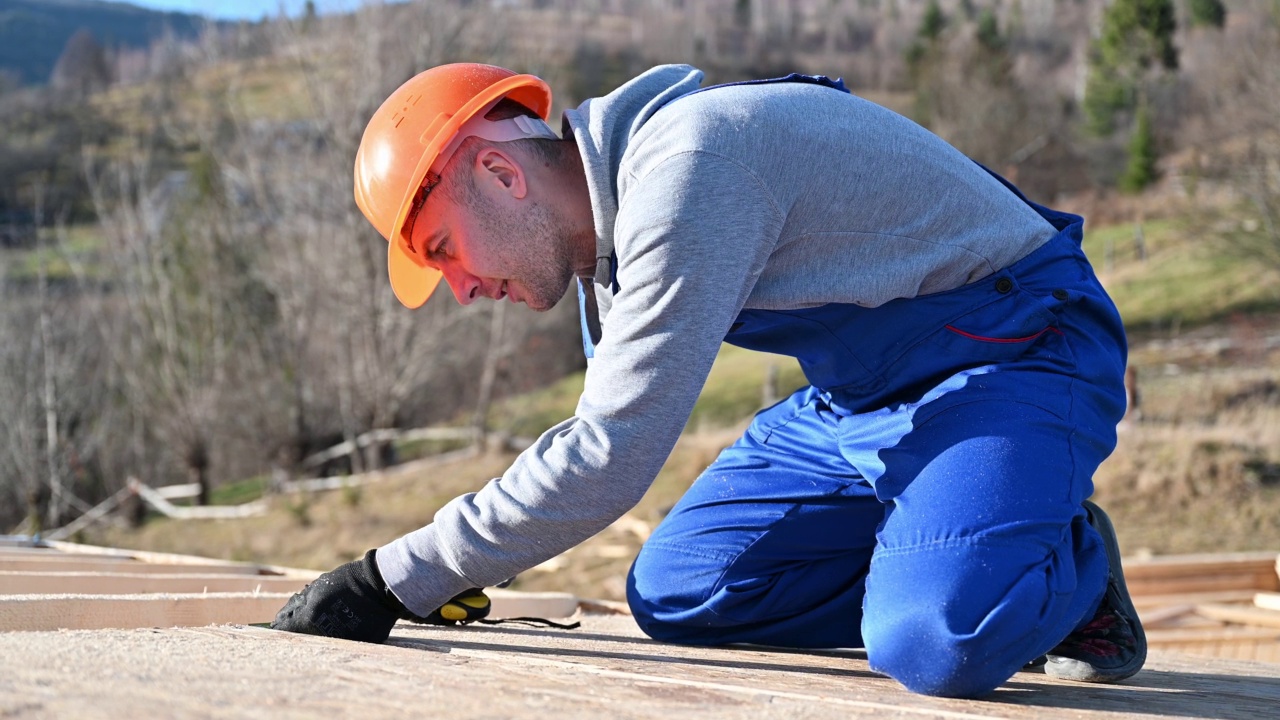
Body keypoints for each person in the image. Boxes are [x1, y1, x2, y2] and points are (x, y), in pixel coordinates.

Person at [272, 62, 1145, 698]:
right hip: (860, 394)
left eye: (443, 249)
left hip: (1012, 351)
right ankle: (972, 532)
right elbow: (592, 438)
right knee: (682, 591)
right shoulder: (604, 254)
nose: (460, 289)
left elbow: (610, 452)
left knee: (936, 641)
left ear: (500, 173)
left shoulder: (689, 170)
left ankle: (1060, 562)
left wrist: (391, 579)